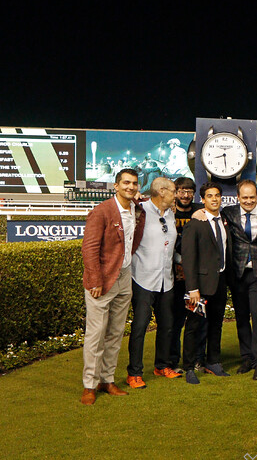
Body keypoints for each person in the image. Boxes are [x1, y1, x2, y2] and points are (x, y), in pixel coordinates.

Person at [80, 168, 146, 405]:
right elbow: (89, 249)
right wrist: (95, 280)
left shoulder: (136, 209)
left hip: (124, 277)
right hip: (103, 279)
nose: (130, 187)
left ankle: (106, 380)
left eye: (134, 183)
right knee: (96, 334)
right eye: (126, 183)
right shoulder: (102, 211)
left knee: (116, 333)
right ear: (116, 186)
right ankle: (89, 384)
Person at [221, 179, 257, 380]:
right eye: (244, 197)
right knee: (242, 317)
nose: (248, 201)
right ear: (238, 197)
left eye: (252, 197)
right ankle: (246, 358)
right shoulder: (228, 213)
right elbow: (208, 214)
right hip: (237, 274)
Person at [126, 177, 180, 388]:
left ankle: (162, 365)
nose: (176, 195)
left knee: (167, 326)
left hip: (167, 280)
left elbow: (169, 247)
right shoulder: (139, 210)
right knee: (139, 327)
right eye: (174, 191)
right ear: (162, 191)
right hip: (142, 279)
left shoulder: (170, 214)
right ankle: (134, 373)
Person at [180, 182, 231, 384]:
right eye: (209, 195)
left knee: (216, 325)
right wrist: (192, 288)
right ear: (203, 199)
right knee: (193, 326)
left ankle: (213, 362)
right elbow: (189, 258)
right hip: (198, 288)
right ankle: (189, 367)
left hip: (220, 282)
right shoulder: (195, 224)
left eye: (217, 195)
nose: (214, 199)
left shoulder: (224, 220)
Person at [169, 177, 207, 373]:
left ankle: (197, 360)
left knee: (198, 320)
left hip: (196, 277)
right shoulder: (168, 211)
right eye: (181, 191)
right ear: (175, 192)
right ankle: (173, 361)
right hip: (174, 277)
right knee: (175, 322)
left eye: (189, 191)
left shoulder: (201, 211)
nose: (185, 195)